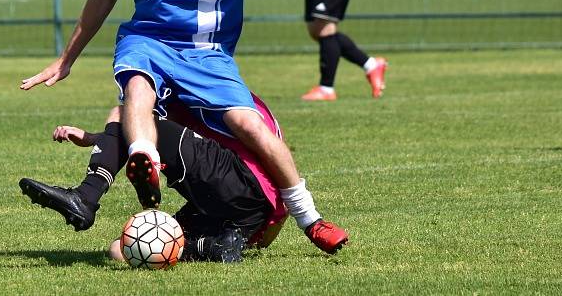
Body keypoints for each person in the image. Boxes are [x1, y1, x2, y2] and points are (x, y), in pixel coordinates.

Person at [20, 0, 404, 246]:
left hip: (208, 53)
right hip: (149, 40)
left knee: (250, 125)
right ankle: (144, 163)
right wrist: (66, 59)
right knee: (135, 90)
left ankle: (311, 218)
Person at [19, 94, 347, 263]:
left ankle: (86, 197)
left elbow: (131, 121)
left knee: (124, 111)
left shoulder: (199, 84)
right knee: (122, 249)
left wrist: (310, 219)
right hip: (253, 211)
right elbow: (276, 161)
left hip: (233, 179)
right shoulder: (235, 94)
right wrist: (95, 138)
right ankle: (209, 247)